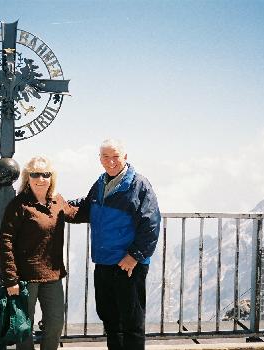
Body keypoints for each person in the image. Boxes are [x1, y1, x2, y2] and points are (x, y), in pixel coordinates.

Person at [73, 139, 161, 350]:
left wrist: (134, 256)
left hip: (127, 264)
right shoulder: (101, 182)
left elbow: (151, 223)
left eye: (115, 156)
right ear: (100, 159)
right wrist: (56, 204)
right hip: (104, 262)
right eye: (106, 157)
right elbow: (86, 207)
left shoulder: (138, 185)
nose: (111, 161)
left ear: (125, 157)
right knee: (111, 320)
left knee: (131, 323)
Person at [0, 156, 79, 350]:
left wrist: (103, 203)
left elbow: (76, 213)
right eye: (35, 174)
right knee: (24, 326)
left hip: (53, 275)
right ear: (28, 177)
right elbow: (6, 240)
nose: (41, 178)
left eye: (46, 174)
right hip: (25, 278)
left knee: (55, 323)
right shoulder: (19, 205)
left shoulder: (57, 201)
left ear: (52, 177)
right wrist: (11, 279)